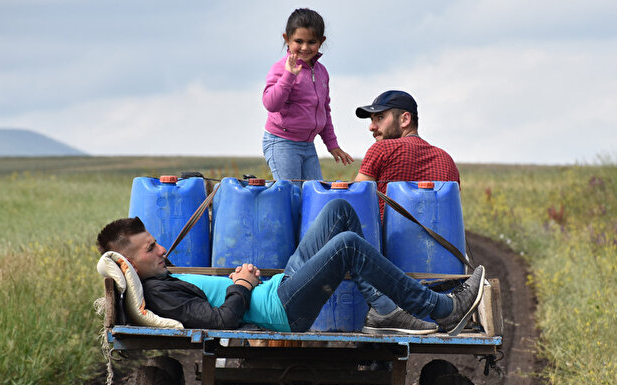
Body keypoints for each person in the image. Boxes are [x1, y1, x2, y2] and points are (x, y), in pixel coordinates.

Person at [96, 199, 485, 336]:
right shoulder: (162, 294)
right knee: (347, 245)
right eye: (150, 248)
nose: (162, 249)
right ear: (129, 264)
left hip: (280, 285)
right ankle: (444, 310)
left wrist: (244, 282)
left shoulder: (161, 276)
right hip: (281, 308)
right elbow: (221, 321)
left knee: (339, 212)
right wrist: (243, 285)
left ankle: (384, 311)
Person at [262, 8, 353, 180]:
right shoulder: (280, 69)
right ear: (286, 39)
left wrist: (332, 144)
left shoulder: (322, 72)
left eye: (311, 42)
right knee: (291, 195)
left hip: (308, 145)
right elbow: (271, 104)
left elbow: (324, 110)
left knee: (313, 192)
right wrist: (289, 76)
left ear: (321, 41)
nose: (305, 47)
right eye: (298, 41)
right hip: (281, 142)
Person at [353, 90, 460, 218]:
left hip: (387, 237)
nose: (371, 127)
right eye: (372, 119)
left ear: (405, 119)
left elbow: (356, 202)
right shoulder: (447, 160)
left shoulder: (382, 148)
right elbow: (453, 214)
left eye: (380, 117)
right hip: (437, 237)